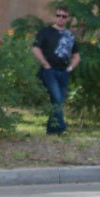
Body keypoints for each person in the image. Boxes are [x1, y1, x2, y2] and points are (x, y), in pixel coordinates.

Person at [31, 6, 81, 135]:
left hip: (64, 72)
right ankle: (61, 129)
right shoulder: (46, 31)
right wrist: (45, 63)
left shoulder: (69, 35)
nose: (60, 18)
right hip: (50, 71)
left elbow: (76, 55)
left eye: (64, 16)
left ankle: (51, 130)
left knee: (57, 101)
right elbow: (35, 48)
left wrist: (70, 67)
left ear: (68, 18)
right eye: (58, 15)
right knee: (57, 99)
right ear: (55, 16)